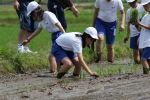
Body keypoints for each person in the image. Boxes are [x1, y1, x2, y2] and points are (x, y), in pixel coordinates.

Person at [21, 1, 66, 73]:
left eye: (32, 13)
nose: (32, 16)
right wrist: (28, 39)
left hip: (59, 35)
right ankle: (60, 71)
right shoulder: (41, 19)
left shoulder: (48, 14)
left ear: (36, 10)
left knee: (52, 56)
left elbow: (58, 24)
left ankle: (53, 72)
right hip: (54, 36)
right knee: (56, 55)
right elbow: (38, 30)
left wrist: (64, 35)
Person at [131, 0, 150, 74]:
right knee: (148, 60)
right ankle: (147, 75)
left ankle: (146, 75)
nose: (145, 8)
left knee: (143, 58)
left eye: (146, 6)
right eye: (144, 6)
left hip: (149, 42)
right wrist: (136, 24)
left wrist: (140, 24)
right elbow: (140, 29)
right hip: (145, 42)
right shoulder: (146, 16)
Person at [124, 0, 145, 64]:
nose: (132, 4)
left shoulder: (142, 7)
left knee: (140, 46)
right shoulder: (128, 11)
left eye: (133, 2)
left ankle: (143, 61)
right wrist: (127, 35)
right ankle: (136, 63)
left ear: (136, 1)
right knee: (135, 50)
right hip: (133, 32)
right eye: (130, 3)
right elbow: (129, 24)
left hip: (141, 31)